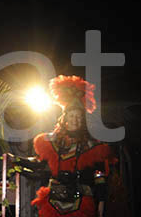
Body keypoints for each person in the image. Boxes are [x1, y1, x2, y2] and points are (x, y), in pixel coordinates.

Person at [31, 75, 116, 217]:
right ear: (64, 119)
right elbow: (37, 164)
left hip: (81, 204)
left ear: (83, 120)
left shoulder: (93, 146)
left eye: (78, 117)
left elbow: (99, 176)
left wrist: (101, 202)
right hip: (53, 204)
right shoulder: (52, 142)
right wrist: (15, 161)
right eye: (71, 116)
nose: (75, 120)